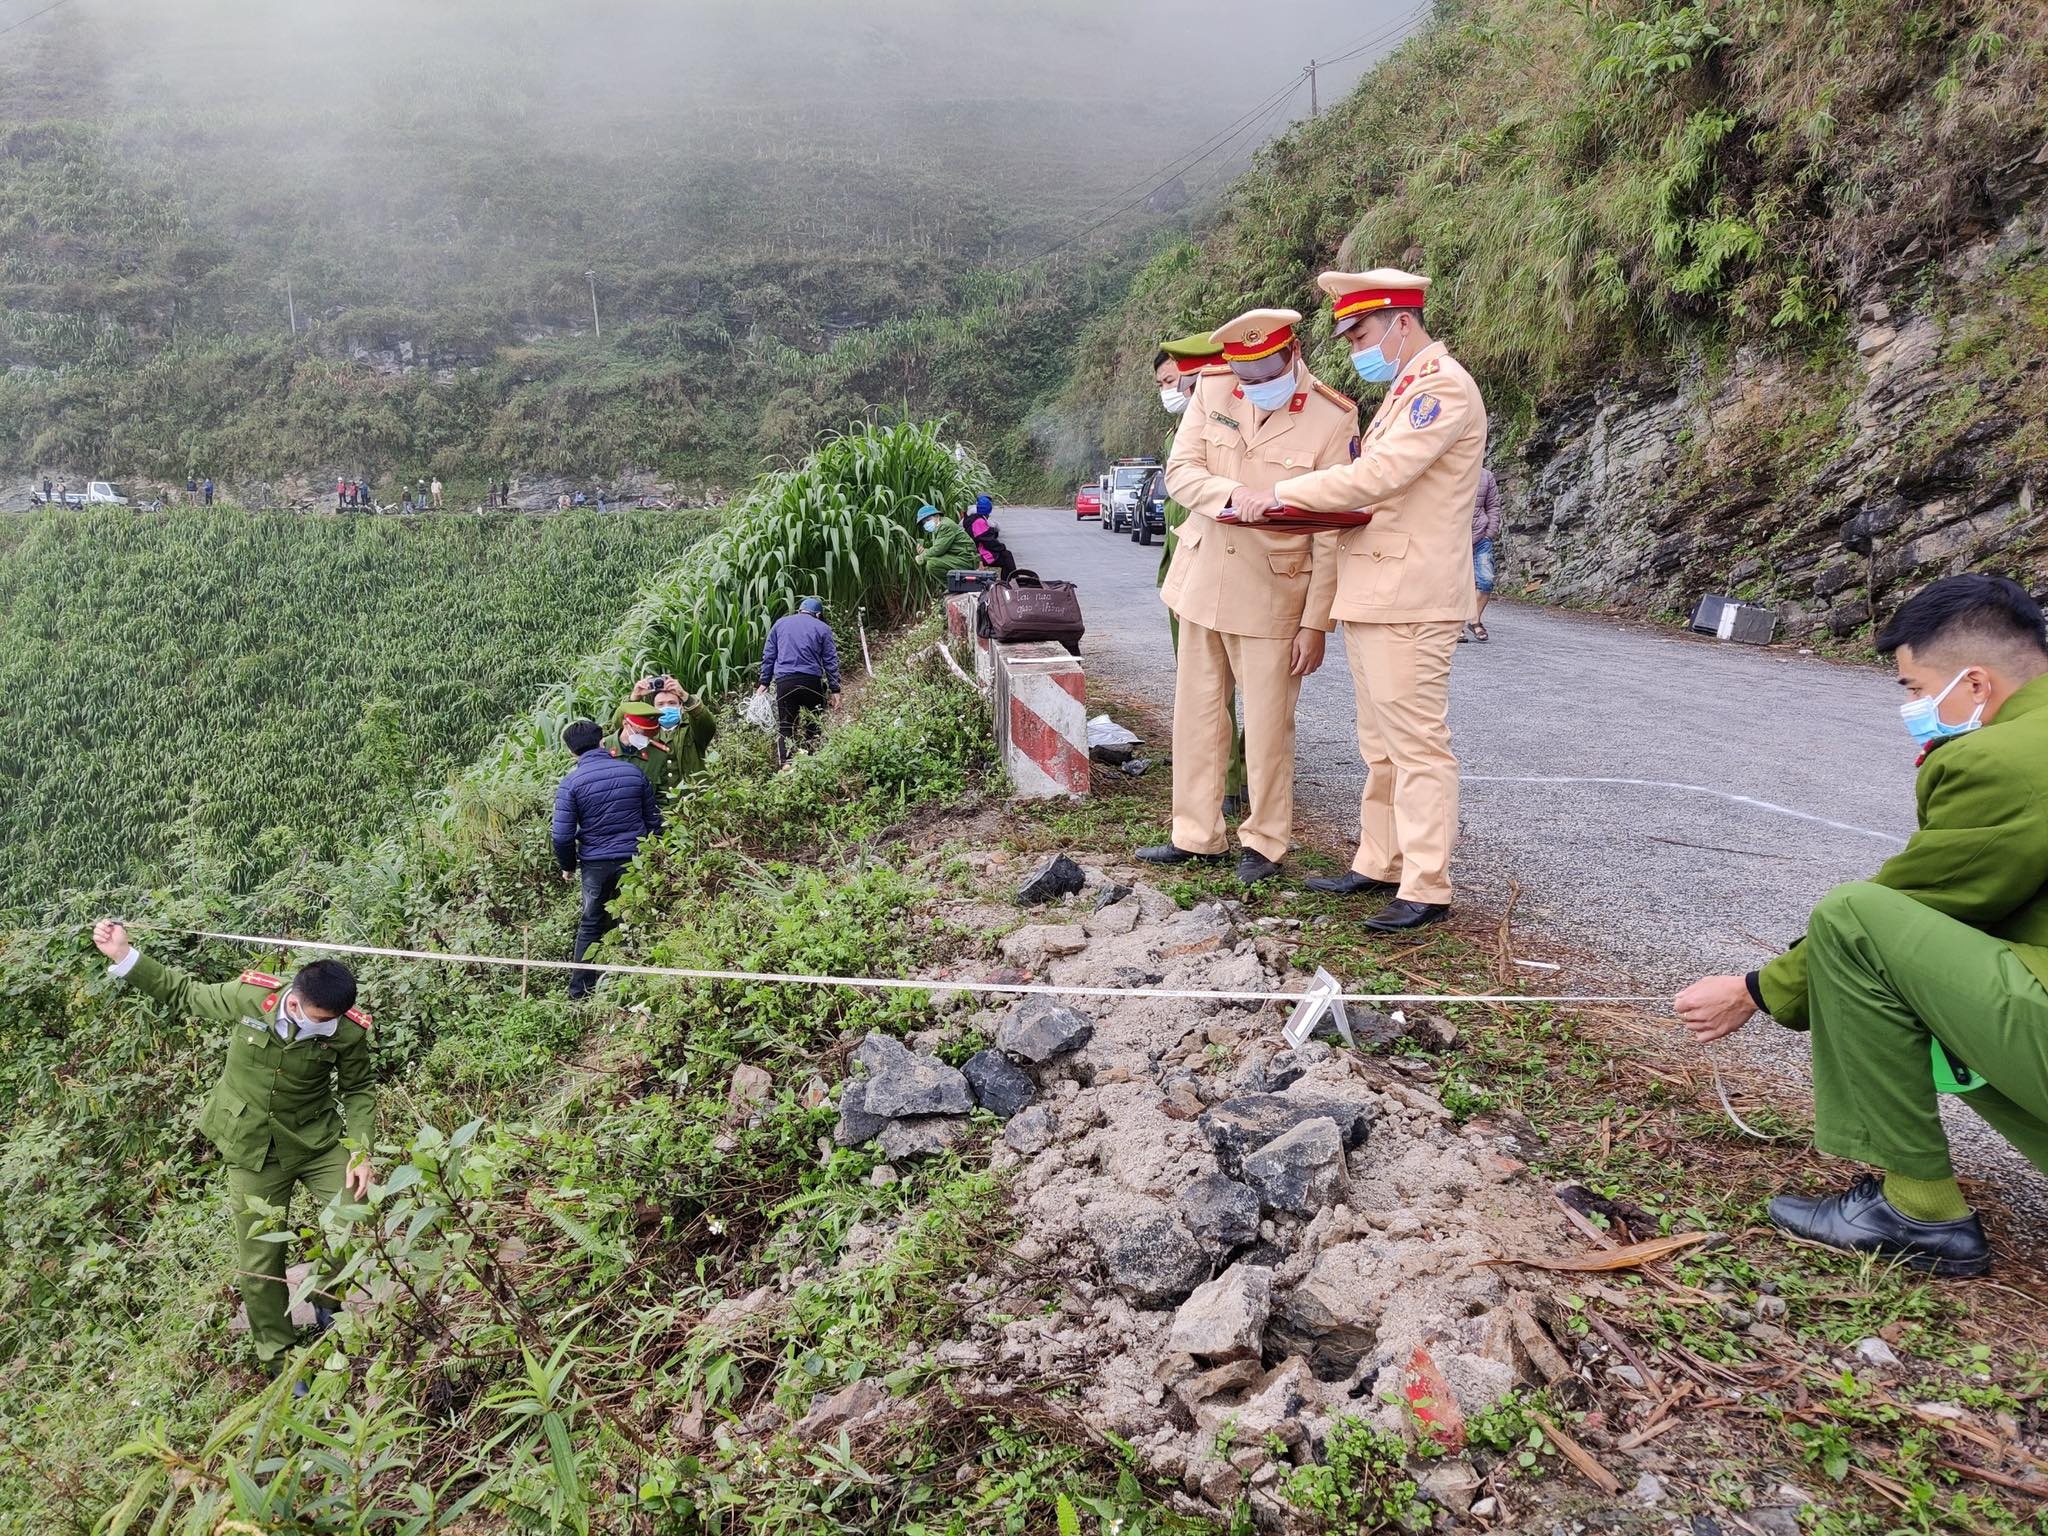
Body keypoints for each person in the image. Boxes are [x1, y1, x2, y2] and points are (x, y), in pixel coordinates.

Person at [1676, 575, 2048, 1277]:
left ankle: (1917, 1211)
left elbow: (1916, 904)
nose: (1912, 708)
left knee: (1855, 919)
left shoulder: (2004, 760)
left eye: (1915, 689)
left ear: (1975, 683)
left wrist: (1755, 989)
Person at [1251, 269, 1487, 932]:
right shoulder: (1406, 388)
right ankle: (1381, 861)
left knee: (1417, 746)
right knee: (1380, 744)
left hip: (1410, 596)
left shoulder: (1441, 387)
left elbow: (1380, 475)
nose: (1356, 348)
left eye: (1360, 335)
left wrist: (1283, 492)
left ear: (1401, 323)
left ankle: (1427, 883)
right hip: (1378, 591)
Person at [89, 920, 374, 1377]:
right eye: (320, 1020)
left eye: (334, 1021)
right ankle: (280, 1358)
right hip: (251, 1147)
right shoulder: (250, 997)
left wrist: (360, 1152)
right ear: (296, 1002)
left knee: (353, 1219)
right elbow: (185, 993)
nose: (328, 1028)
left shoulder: (348, 1031)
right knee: (260, 1260)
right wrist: (124, 955)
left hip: (315, 1142)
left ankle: (327, 1298)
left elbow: (358, 1090)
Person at [1144, 306, 1357, 886]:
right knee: (1197, 716)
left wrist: (1316, 622)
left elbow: (1331, 530)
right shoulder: (1213, 388)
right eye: (1247, 376)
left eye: (1268, 374)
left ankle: (1264, 842)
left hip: (1274, 594)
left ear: (1293, 354)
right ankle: (1195, 834)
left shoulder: (1333, 415)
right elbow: (1182, 472)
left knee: (1267, 728)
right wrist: (1234, 494)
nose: (1256, 386)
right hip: (1202, 581)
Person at [1156, 330, 1250, 819]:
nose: (1173, 392)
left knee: (1256, 692)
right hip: (1188, 574)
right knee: (1203, 693)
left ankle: (1241, 780)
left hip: (1240, 573)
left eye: (1178, 382)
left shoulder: (1245, 425)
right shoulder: (1183, 432)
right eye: (1168, 384)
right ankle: (1220, 786)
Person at [552, 717, 662, 1000]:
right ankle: (642, 985)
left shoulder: (570, 784)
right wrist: (657, 855)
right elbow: (653, 820)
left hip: (595, 864)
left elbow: (562, 836)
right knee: (639, 917)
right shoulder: (632, 773)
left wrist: (567, 866)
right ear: (602, 742)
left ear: (572, 752)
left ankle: (580, 992)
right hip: (636, 859)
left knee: (591, 924)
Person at [756, 596, 841, 765]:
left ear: (800, 610)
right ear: (818, 615)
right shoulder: (823, 628)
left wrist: (764, 683)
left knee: (786, 726)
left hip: (785, 682)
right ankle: (811, 761)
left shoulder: (780, 624)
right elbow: (830, 660)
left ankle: (786, 765)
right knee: (814, 723)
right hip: (811, 682)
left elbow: (769, 656)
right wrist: (835, 690)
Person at [1464, 465, 1500, 643]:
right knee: (1456, 584)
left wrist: (1490, 532)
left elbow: (1493, 506)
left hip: (1481, 537)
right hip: (1454, 538)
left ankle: (1474, 619)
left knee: (1486, 580)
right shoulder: (1449, 471)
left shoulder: (1486, 476)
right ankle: (1455, 626)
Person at [915, 502, 981, 578]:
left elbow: (938, 549)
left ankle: (952, 584)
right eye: (924, 522)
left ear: (937, 516)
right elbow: (939, 546)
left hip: (966, 559)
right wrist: (925, 550)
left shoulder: (945, 526)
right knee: (932, 559)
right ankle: (953, 584)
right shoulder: (938, 526)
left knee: (932, 563)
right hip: (959, 557)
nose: (926, 523)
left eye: (928, 520)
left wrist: (921, 557)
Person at [963, 494, 1018, 579]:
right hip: (978, 554)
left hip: (975, 550)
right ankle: (1014, 579)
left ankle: (1011, 580)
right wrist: (1002, 547)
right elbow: (989, 542)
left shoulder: (973, 518)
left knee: (1006, 555)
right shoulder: (979, 522)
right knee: (1006, 557)